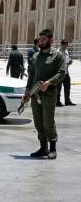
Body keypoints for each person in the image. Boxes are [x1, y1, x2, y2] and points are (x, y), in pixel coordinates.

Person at [23, 29, 65, 160]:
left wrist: (49, 82)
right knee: (38, 122)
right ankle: (43, 148)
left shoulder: (57, 56)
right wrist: (27, 91)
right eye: (39, 40)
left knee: (48, 122)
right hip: (35, 94)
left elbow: (62, 72)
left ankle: (53, 149)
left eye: (44, 40)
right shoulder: (35, 57)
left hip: (49, 94)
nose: (41, 42)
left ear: (51, 41)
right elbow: (31, 75)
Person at [56, 40, 76, 107]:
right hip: (59, 73)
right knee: (58, 88)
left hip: (66, 72)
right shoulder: (57, 52)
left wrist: (69, 63)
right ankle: (57, 101)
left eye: (66, 45)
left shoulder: (66, 51)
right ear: (61, 44)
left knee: (67, 88)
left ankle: (67, 101)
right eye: (65, 45)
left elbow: (67, 61)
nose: (65, 47)